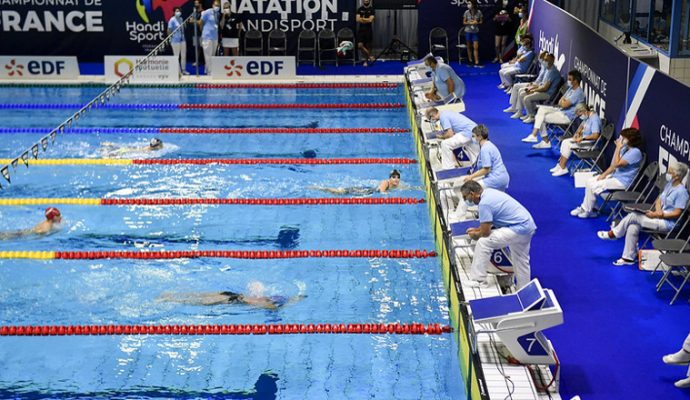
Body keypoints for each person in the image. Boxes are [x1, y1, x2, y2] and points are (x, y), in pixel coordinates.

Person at [597, 162, 688, 265]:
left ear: (677, 176)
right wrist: (658, 211)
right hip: (658, 216)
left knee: (634, 216)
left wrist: (660, 215)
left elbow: (677, 213)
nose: (668, 173)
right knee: (633, 225)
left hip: (668, 224)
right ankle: (628, 258)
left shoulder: (682, 192)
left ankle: (614, 234)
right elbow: (659, 200)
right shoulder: (670, 184)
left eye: (670, 172)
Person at [461, 180, 536, 289]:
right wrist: (478, 229)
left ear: (472, 194)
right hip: (528, 226)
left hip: (517, 228)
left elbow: (486, 233)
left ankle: (479, 280)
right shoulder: (489, 192)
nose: (465, 200)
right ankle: (524, 289)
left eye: (465, 197)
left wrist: (475, 235)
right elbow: (489, 224)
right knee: (521, 259)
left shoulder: (484, 204)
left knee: (484, 242)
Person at [570, 128, 644, 219]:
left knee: (594, 186)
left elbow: (617, 164)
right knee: (589, 182)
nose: (621, 139)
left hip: (623, 182)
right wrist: (603, 175)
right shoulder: (625, 149)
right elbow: (613, 165)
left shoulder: (636, 152)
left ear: (631, 139)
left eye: (624, 138)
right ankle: (592, 208)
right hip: (614, 176)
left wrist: (617, 148)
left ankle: (587, 210)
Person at [521, 69, 585, 149]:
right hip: (560, 110)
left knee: (540, 117)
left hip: (567, 116)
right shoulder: (570, 89)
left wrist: (563, 102)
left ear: (575, 81)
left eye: (570, 79)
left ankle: (542, 140)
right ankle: (537, 137)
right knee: (541, 111)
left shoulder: (579, 93)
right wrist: (563, 102)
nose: (568, 81)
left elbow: (564, 104)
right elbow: (560, 101)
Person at [158, 281, 306, 310]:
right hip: (232, 299)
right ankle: (170, 298)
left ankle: (171, 296)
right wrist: (294, 301)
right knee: (201, 301)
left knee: (200, 295)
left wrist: (296, 298)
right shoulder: (265, 304)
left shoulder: (263, 299)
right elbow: (275, 308)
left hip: (233, 295)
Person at [550, 103, 601, 177]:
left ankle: (563, 168)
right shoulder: (588, 117)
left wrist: (583, 138)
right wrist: (577, 133)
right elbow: (581, 126)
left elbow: (595, 136)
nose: (580, 117)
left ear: (584, 111)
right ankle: (560, 165)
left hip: (590, 143)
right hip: (582, 140)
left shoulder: (595, 119)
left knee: (568, 144)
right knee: (564, 142)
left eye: (580, 115)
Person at [462, 125, 510, 191]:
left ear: (480, 137)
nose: (472, 138)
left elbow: (486, 169)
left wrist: (471, 177)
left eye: (473, 136)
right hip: (503, 177)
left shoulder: (485, 149)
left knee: (471, 189)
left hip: (495, 179)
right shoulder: (489, 144)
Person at [519, 53, 562, 121]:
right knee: (522, 93)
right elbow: (541, 84)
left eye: (547, 60)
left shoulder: (553, 72)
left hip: (548, 94)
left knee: (527, 98)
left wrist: (533, 91)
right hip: (542, 91)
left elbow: (545, 88)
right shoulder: (548, 69)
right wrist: (532, 88)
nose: (544, 61)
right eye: (544, 59)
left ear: (552, 60)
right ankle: (528, 114)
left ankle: (532, 116)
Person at [503, 51, 547, 115]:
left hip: (537, 86)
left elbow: (543, 84)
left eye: (542, 59)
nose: (540, 60)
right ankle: (513, 107)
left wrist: (533, 87)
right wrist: (532, 83)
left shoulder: (547, 70)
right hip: (534, 83)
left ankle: (520, 111)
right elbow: (539, 80)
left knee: (521, 91)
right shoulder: (543, 67)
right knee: (515, 86)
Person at [312, 169, 401, 195]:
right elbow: (382, 191)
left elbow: (405, 187)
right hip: (364, 191)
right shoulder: (385, 182)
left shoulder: (396, 185)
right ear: (389, 178)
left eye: (398, 177)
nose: (396, 179)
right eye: (393, 177)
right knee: (340, 192)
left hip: (367, 191)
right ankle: (320, 188)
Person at [198, 0, 220, 75]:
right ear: (212, 5)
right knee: (208, 55)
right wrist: (203, 33)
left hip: (215, 37)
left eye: (218, 6)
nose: (217, 7)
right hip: (207, 36)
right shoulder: (207, 12)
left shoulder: (217, 14)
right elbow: (200, 22)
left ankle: (207, 69)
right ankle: (210, 72)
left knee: (213, 55)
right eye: (216, 5)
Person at [168, 7, 188, 75]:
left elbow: (182, 29)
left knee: (183, 55)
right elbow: (169, 30)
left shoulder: (181, 19)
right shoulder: (172, 20)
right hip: (175, 40)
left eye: (179, 11)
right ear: (174, 12)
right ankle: (177, 71)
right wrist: (170, 38)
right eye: (177, 11)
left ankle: (183, 70)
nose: (178, 12)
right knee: (176, 56)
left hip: (182, 39)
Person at [463, 0, 483, 68]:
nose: (468, 5)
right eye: (468, 3)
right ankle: (470, 61)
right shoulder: (466, 12)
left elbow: (481, 22)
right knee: (469, 46)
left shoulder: (479, 12)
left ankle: (477, 62)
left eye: (469, 3)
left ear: (473, 4)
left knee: (475, 47)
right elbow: (464, 22)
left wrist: (476, 22)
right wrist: (469, 22)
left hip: (475, 32)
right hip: (468, 31)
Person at [356, 0, 375, 66]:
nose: (366, 1)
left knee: (368, 46)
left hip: (368, 30)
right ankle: (370, 56)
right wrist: (366, 19)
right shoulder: (359, 9)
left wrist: (363, 19)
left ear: (369, 1)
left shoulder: (371, 9)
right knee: (360, 45)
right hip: (361, 30)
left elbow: (370, 20)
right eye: (365, 0)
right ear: (363, 1)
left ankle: (366, 61)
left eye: (367, 0)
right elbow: (357, 19)